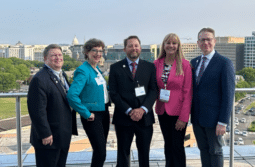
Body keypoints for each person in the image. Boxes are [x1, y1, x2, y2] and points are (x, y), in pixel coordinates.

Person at [108, 35, 158, 167]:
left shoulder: (150, 67)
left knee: (144, 153)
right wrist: (130, 110)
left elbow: (153, 90)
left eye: (136, 45)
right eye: (130, 46)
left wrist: (142, 109)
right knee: (123, 153)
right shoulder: (115, 68)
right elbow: (113, 93)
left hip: (145, 118)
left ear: (140, 48)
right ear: (125, 49)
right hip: (123, 118)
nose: (133, 48)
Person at [191, 28, 235, 167]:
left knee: (215, 151)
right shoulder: (194, 62)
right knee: (203, 150)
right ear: (198, 43)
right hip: (197, 118)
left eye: (208, 39)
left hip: (215, 120)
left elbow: (228, 95)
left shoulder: (224, 63)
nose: (205, 42)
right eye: (202, 40)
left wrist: (223, 121)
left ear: (214, 41)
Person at [27, 44, 78, 167]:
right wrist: (45, 133)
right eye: (53, 55)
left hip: (62, 135)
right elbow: (37, 110)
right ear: (45, 59)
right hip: (49, 138)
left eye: (60, 55)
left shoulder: (62, 75)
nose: (58, 57)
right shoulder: (39, 79)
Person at [67, 38, 110, 167]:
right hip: (92, 116)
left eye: (100, 51)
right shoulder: (83, 70)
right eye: (94, 51)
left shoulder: (96, 69)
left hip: (104, 113)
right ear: (87, 52)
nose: (98, 54)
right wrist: (86, 113)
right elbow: (72, 95)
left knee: (100, 151)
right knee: (100, 151)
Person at [154, 33, 192, 167]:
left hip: (178, 112)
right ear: (163, 45)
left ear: (178, 46)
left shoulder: (185, 65)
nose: (171, 46)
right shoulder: (156, 64)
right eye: (168, 43)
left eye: (174, 43)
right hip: (162, 110)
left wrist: (184, 117)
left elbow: (188, 93)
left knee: (177, 146)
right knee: (168, 144)